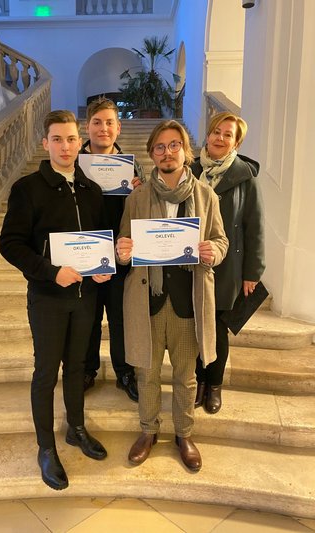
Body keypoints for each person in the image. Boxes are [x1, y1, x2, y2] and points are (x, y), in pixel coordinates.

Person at [0, 110, 109, 492]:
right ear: (45, 143)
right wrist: (50, 271)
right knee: (46, 373)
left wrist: (102, 267)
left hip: (85, 297)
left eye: (71, 139)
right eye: (57, 139)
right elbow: (10, 244)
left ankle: (76, 428)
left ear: (80, 142)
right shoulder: (27, 189)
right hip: (48, 297)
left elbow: (99, 240)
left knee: (77, 367)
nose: (65, 146)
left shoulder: (92, 190)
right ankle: (46, 448)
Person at [116, 120, 228, 471]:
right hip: (147, 302)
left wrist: (213, 251)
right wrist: (123, 252)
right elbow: (124, 244)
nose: (167, 152)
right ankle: (148, 431)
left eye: (174, 145)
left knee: (186, 376)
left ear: (186, 151)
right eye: (160, 147)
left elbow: (221, 240)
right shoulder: (136, 198)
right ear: (152, 154)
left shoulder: (207, 196)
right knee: (146, 374)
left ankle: (184, 434)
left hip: (187, 303)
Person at [192, 112, 265, 414]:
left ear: (236, 142)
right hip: (194, 263)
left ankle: (214, 385)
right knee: (195, 327)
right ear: (208, 135)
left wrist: (252, 272)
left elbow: (255, 228)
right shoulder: (191, 170)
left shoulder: (246, 178)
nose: (220, 138)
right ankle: (198, 381)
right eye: (216, 132)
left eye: (227, 135)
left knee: (218, 329)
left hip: (228, 268)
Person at [81, 97, 145, 402]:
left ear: (118, 128)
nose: (103, 128)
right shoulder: (74, 165)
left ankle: (124, 372)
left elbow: (145, 212)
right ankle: (86, 370)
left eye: (109, 122)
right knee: (88, 318)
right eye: (97, 122)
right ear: (87, 127)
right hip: (85, 256)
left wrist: (140, 192)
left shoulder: (133, 168)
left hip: (122, 258)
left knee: (121, 319)